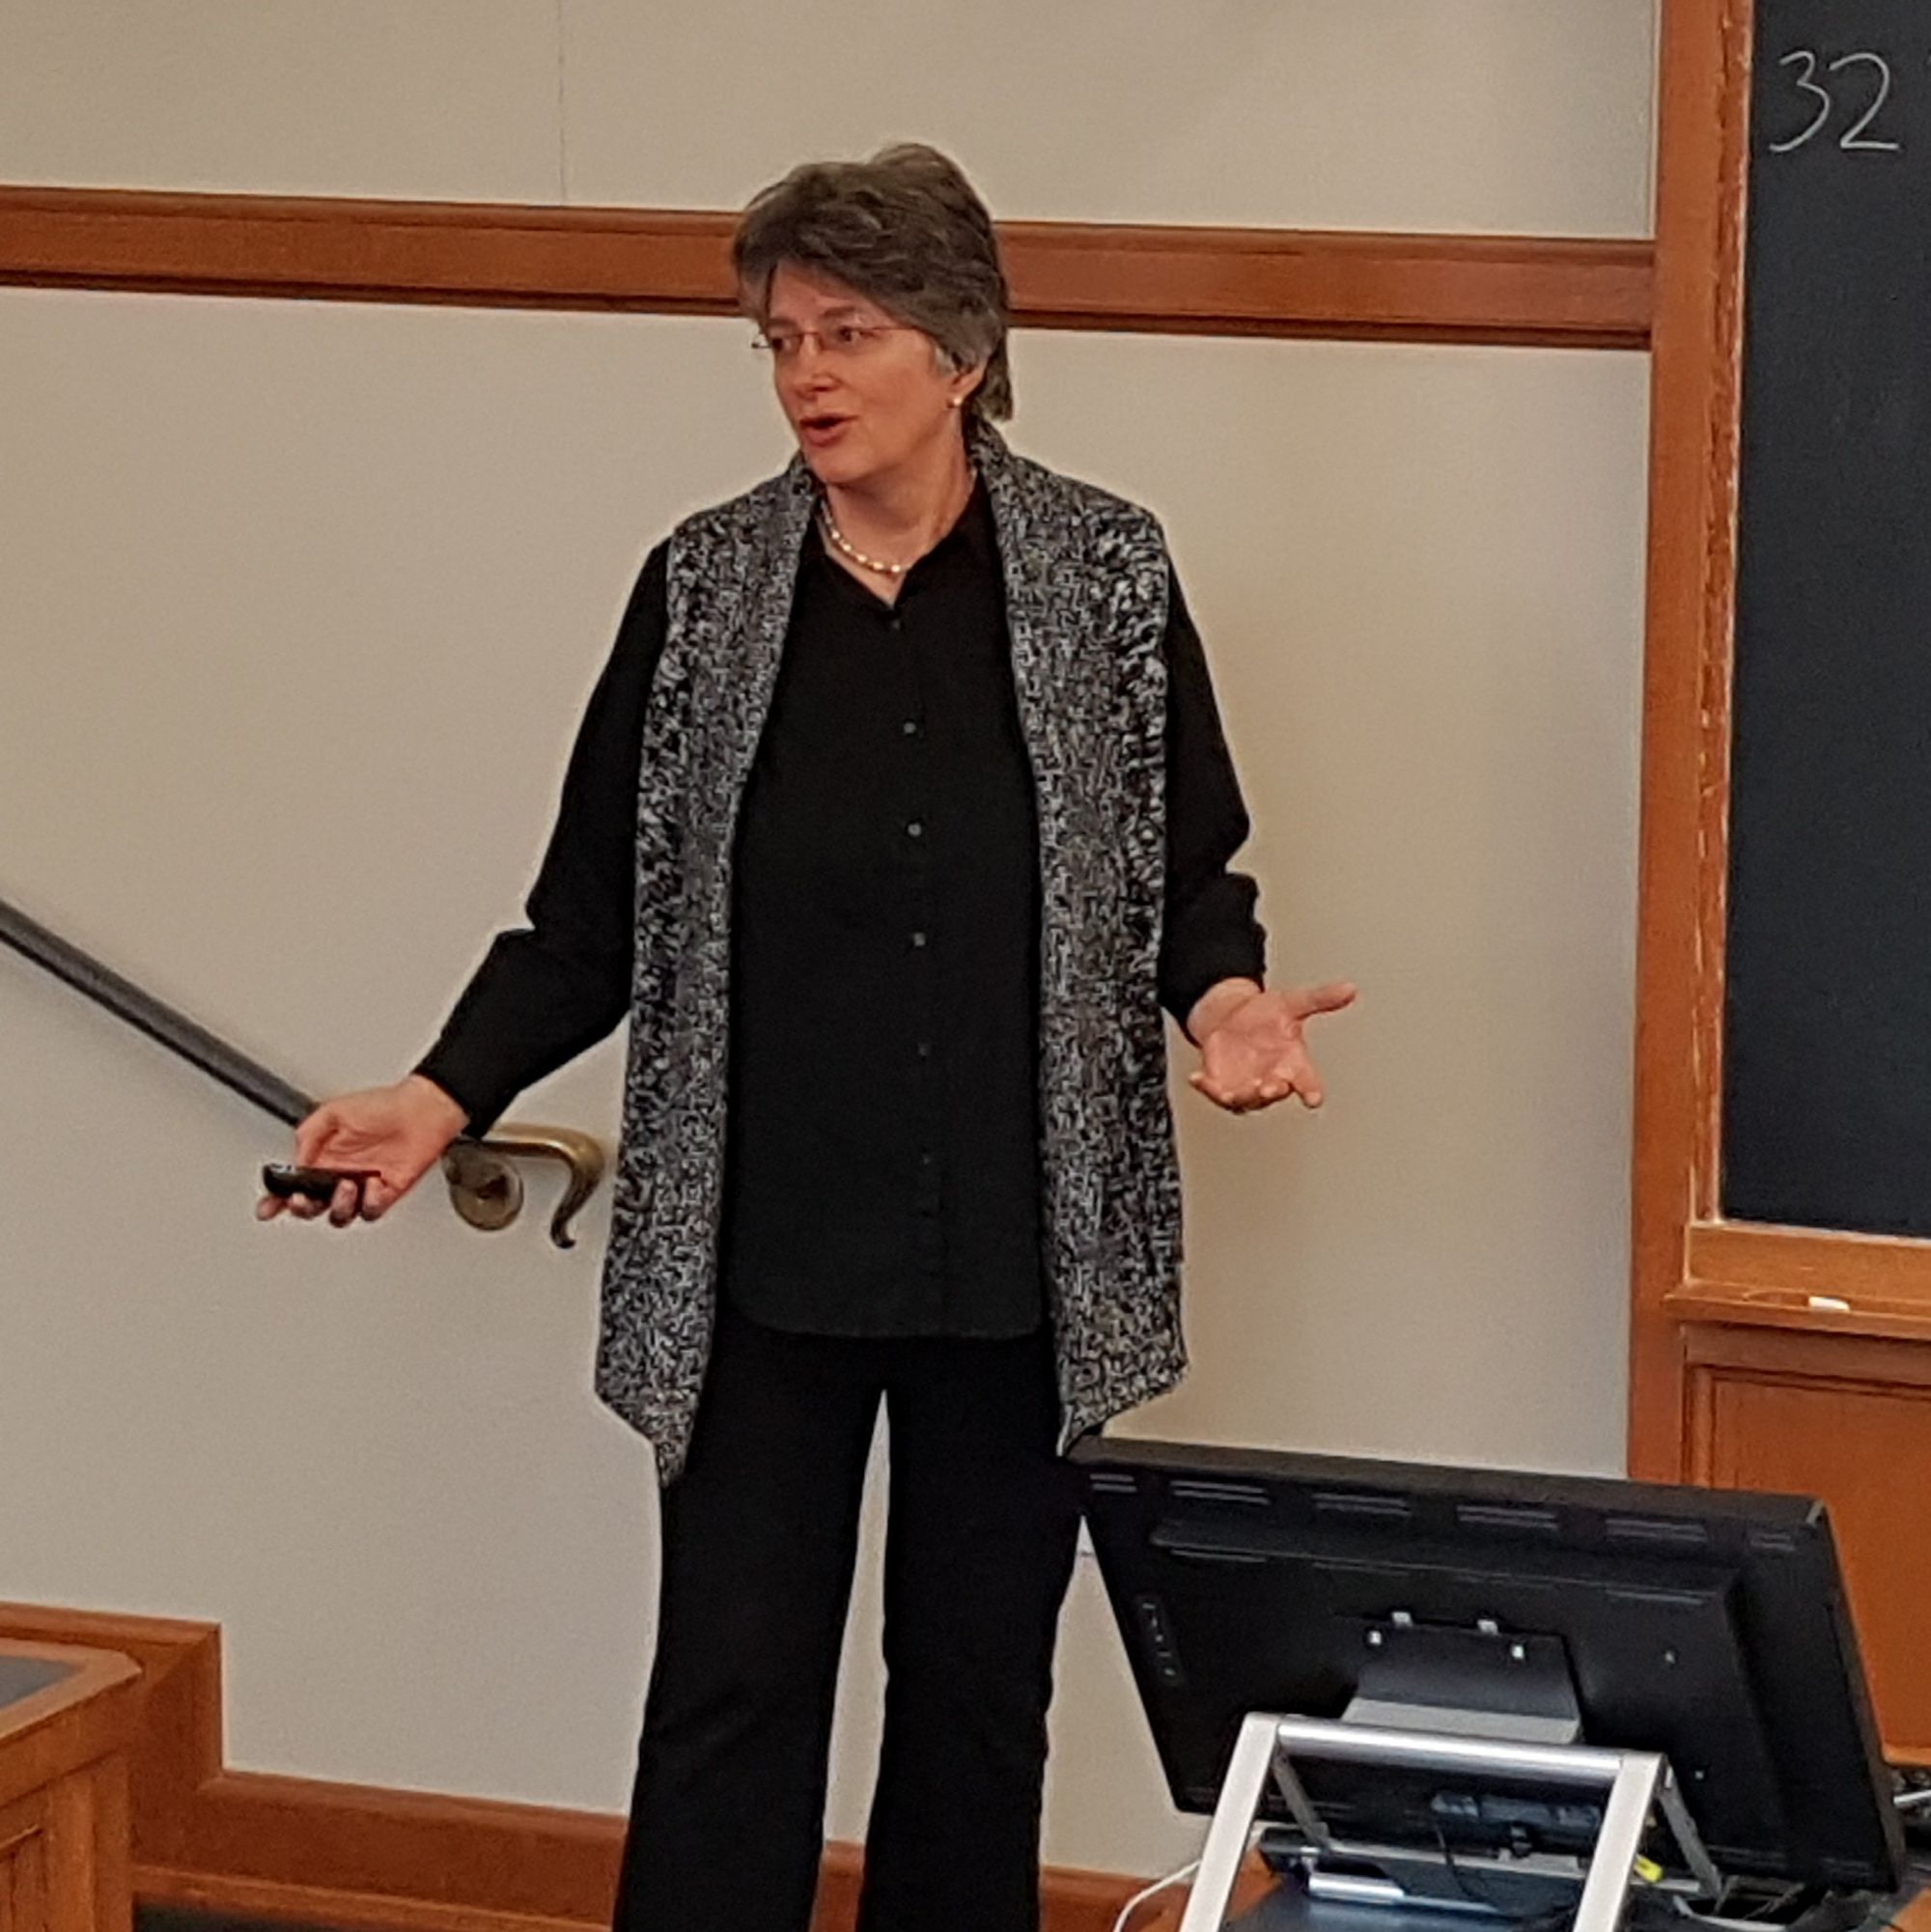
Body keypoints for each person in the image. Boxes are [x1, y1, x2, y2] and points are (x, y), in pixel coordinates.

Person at [259, 142, 1354, 1932]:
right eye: (778, 341)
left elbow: (1186, 868)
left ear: (967, 348)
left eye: (848, 333)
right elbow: (585, 918)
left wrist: (1223, 1000)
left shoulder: (1103, 575)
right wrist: (438, 1091)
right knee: (729, 1700)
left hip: (1019, 1262)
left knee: (980, 1706)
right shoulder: (703, 591)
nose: (809, 378)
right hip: (762, 1258)